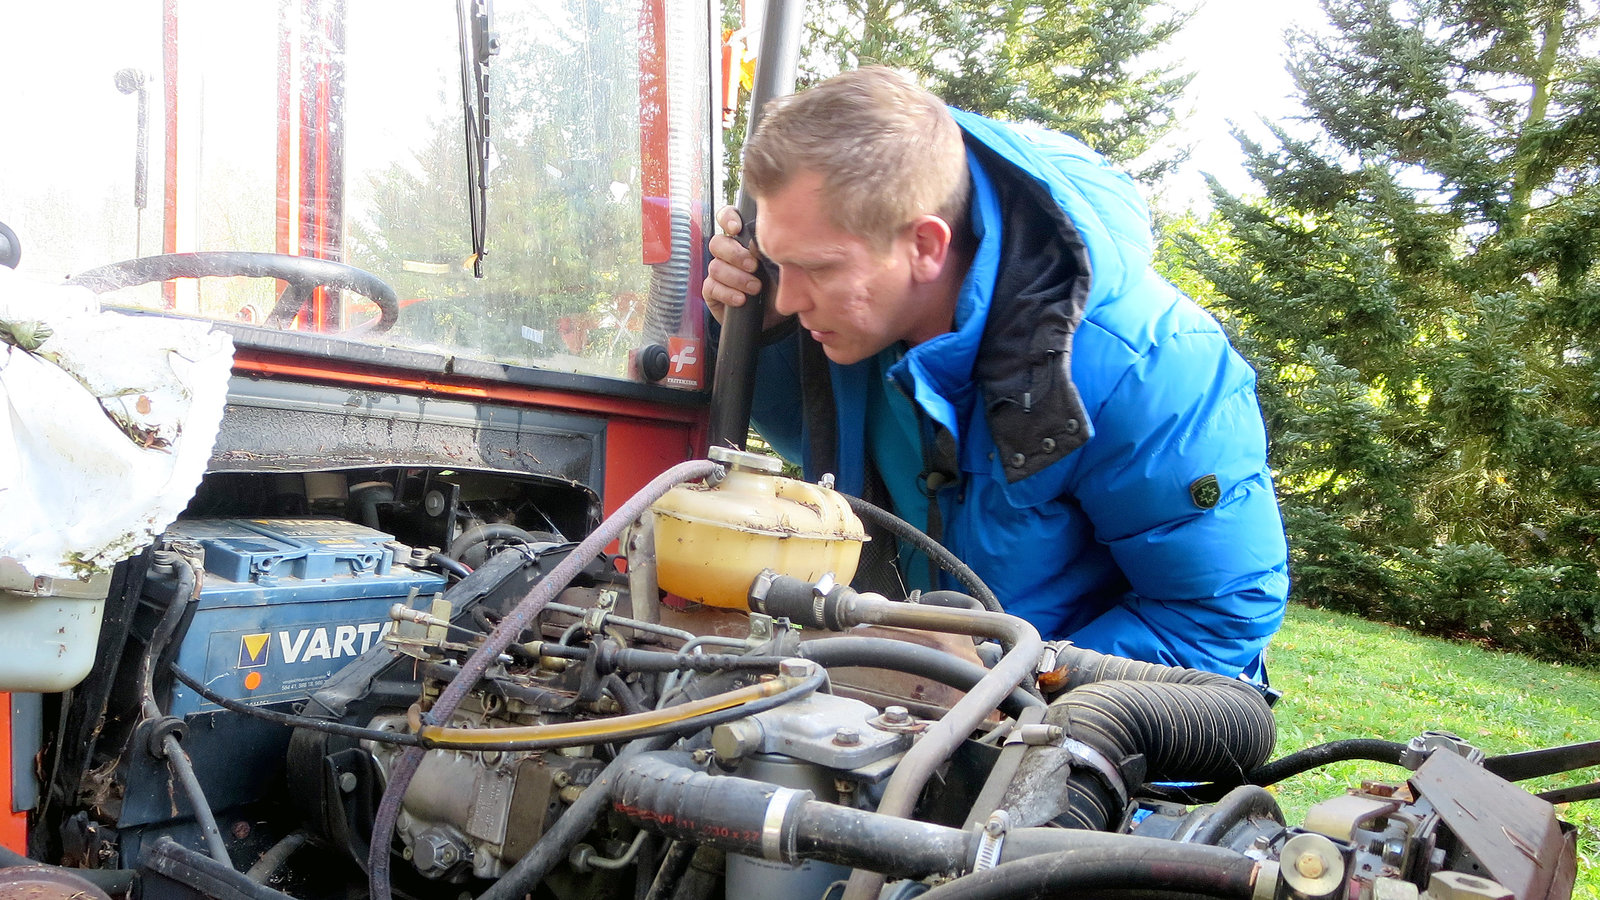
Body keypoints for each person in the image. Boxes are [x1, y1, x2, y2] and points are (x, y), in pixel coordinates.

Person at [702, 67, 1288, 679]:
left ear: (926, 246)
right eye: (780, 263)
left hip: (1085, 714)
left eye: (818, 269)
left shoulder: (1149, 365)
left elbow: (1214, 621)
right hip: (907, 691)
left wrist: (1002, 674)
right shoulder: (862, 316)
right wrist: (762, 334)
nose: (790, 297)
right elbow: (815, 444)